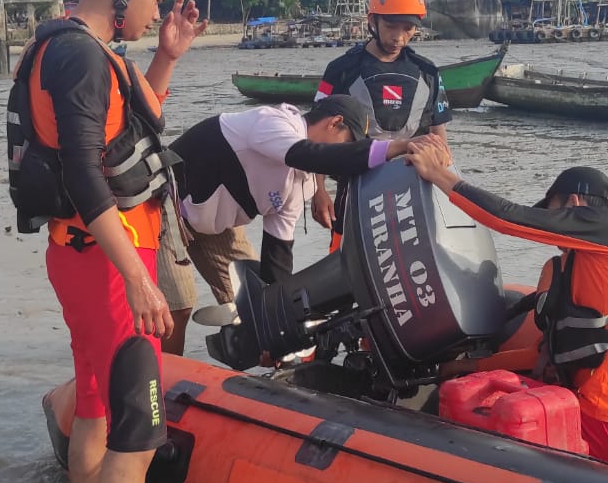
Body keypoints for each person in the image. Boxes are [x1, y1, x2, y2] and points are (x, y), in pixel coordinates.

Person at [7, 0, 203, 483]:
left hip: (84, 256)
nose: (158, 12)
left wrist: (170, 55)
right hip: (109, 262)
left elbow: (130, 123)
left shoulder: (70, 49)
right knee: (138, 429)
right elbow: (90, 175)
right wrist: (138, 281)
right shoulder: (82, 55)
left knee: (93, 409)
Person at [406, 145, 608, 471]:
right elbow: (543, 354)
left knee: (458, 399)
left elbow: (505, 218)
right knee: (470, 383)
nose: (550, 223)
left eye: (553, 211)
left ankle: (418, 469)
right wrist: (472, 366)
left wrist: (437, 175)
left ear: (574, 205)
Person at [155, 96, 426, 352]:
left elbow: (278, 254)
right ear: (334, 123)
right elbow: (308, 154)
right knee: (178, 305)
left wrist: (278, 331)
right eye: (348, 142)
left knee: (255, 305)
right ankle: (163, 380)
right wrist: (397, 147)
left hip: (214, 223)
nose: (345, 155)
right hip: (163, 205)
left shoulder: (301, 182)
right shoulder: (273, 122)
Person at [312, 0, 450, 231]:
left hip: (413, 187)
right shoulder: (340, 70)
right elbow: (316, 137)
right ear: (372, 21)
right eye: (390, 26)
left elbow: (439, 139)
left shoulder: (428, 73)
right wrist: (318, 190)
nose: (398, 36)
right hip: (355, 186)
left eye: (407, 28)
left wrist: (446, 189)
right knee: (347, 257)